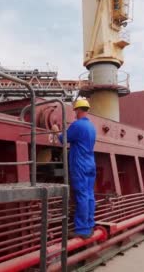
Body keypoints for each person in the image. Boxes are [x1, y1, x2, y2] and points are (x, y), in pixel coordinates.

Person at [53, 99, 96, 239]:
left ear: (78, 110)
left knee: (82, 195)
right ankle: (89, 225)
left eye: (75, 111)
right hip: (90, 163)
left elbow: (63, 139)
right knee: (89, 195)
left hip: (80, 165)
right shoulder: (91, 127)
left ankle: (82, 230)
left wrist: (55, 131)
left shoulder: (77, 125)